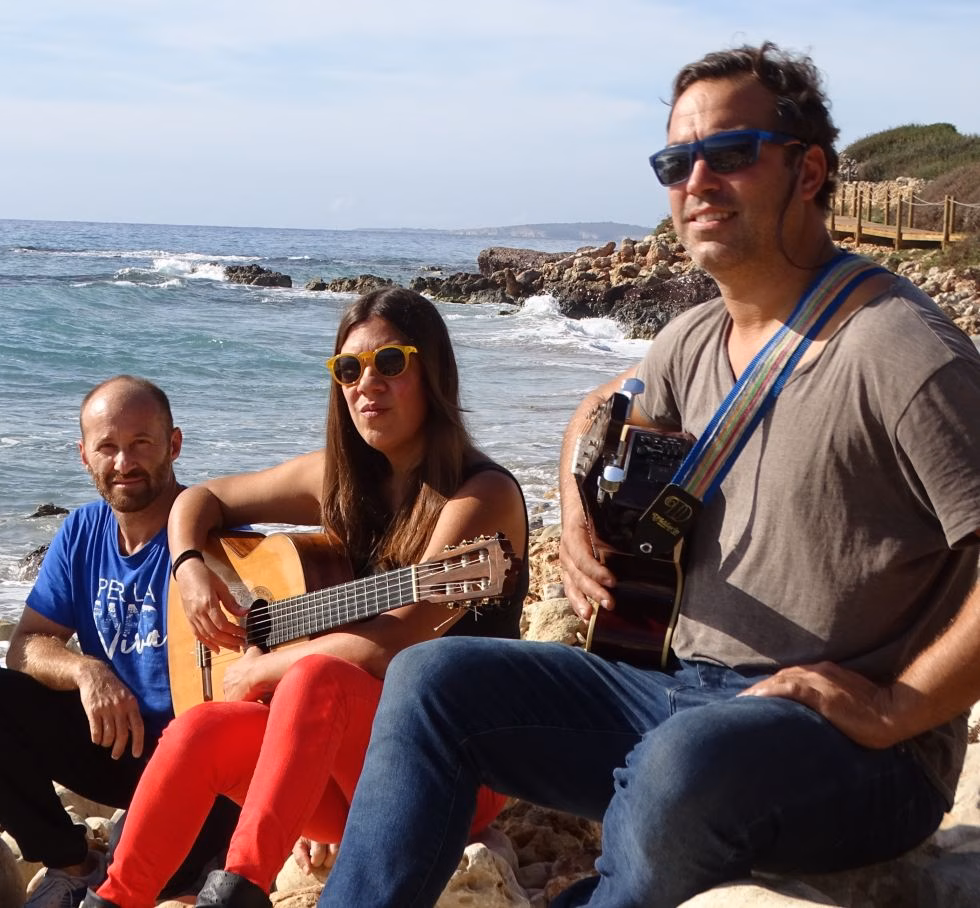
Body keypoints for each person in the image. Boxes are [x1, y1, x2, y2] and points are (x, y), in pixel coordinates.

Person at [317, 42, 980, 908]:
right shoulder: (690, 341)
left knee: (681, 765)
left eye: (730, 154)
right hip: (681, 694)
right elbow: (600, 407)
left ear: (808, 169)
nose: (696, 180)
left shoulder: (900, 351)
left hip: (857, 754)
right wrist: (575, 509)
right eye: (676, 161)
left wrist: (898, 707)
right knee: (433, 682)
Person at [80, 287, 530, 908]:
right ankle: (113, 898)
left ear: (433, 371)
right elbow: (200, 498)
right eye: (349, 369)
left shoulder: (481, 497)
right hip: (353, 771)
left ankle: (238, 891)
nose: (365, 383)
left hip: (455, 769)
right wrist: (187, 566)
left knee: (316, 674)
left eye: (389, 363)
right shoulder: (339, 481)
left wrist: (264, 667)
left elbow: (396, 636)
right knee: (203, 726)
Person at [0, 376, 238, 908]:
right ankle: (70, 863)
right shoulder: (82, 529)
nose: (123, 462)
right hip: (115, 743)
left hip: (196, 768)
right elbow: (27, 643)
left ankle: (166, 861)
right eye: (107, 447)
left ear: (174, 444)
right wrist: (88, 671)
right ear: (84, 455)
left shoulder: (212, 539)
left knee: (158, 889)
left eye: (140, 444)